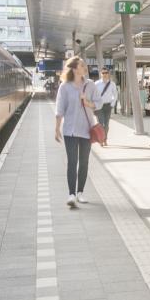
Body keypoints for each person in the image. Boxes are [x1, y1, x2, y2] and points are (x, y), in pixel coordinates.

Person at [53, 56, 96, 208]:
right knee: (72, 162)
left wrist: (87, 102)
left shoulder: (90, 85)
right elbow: (60, 108)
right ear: (74, 68)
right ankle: (71, 194)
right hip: (70, 130)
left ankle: (80, 193)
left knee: (84, 162)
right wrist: (57, 128)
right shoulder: (64, 87)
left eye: (84, 65)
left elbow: (98, 104)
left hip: (86, 129)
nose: (85, 67)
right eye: (82, 65)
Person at [87, 64, 118, 140]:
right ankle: (101, 139)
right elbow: (92, 95)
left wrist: (112, 104)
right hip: (99, 106)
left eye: (106, 73)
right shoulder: (96, 84)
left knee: (106, 124)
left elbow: (116, 95)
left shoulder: (112, 84)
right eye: (103, 73)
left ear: (108, 74)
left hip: (108, 106)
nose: (104, 74)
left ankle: (105, 139)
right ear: (100, 74)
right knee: (101, 124)